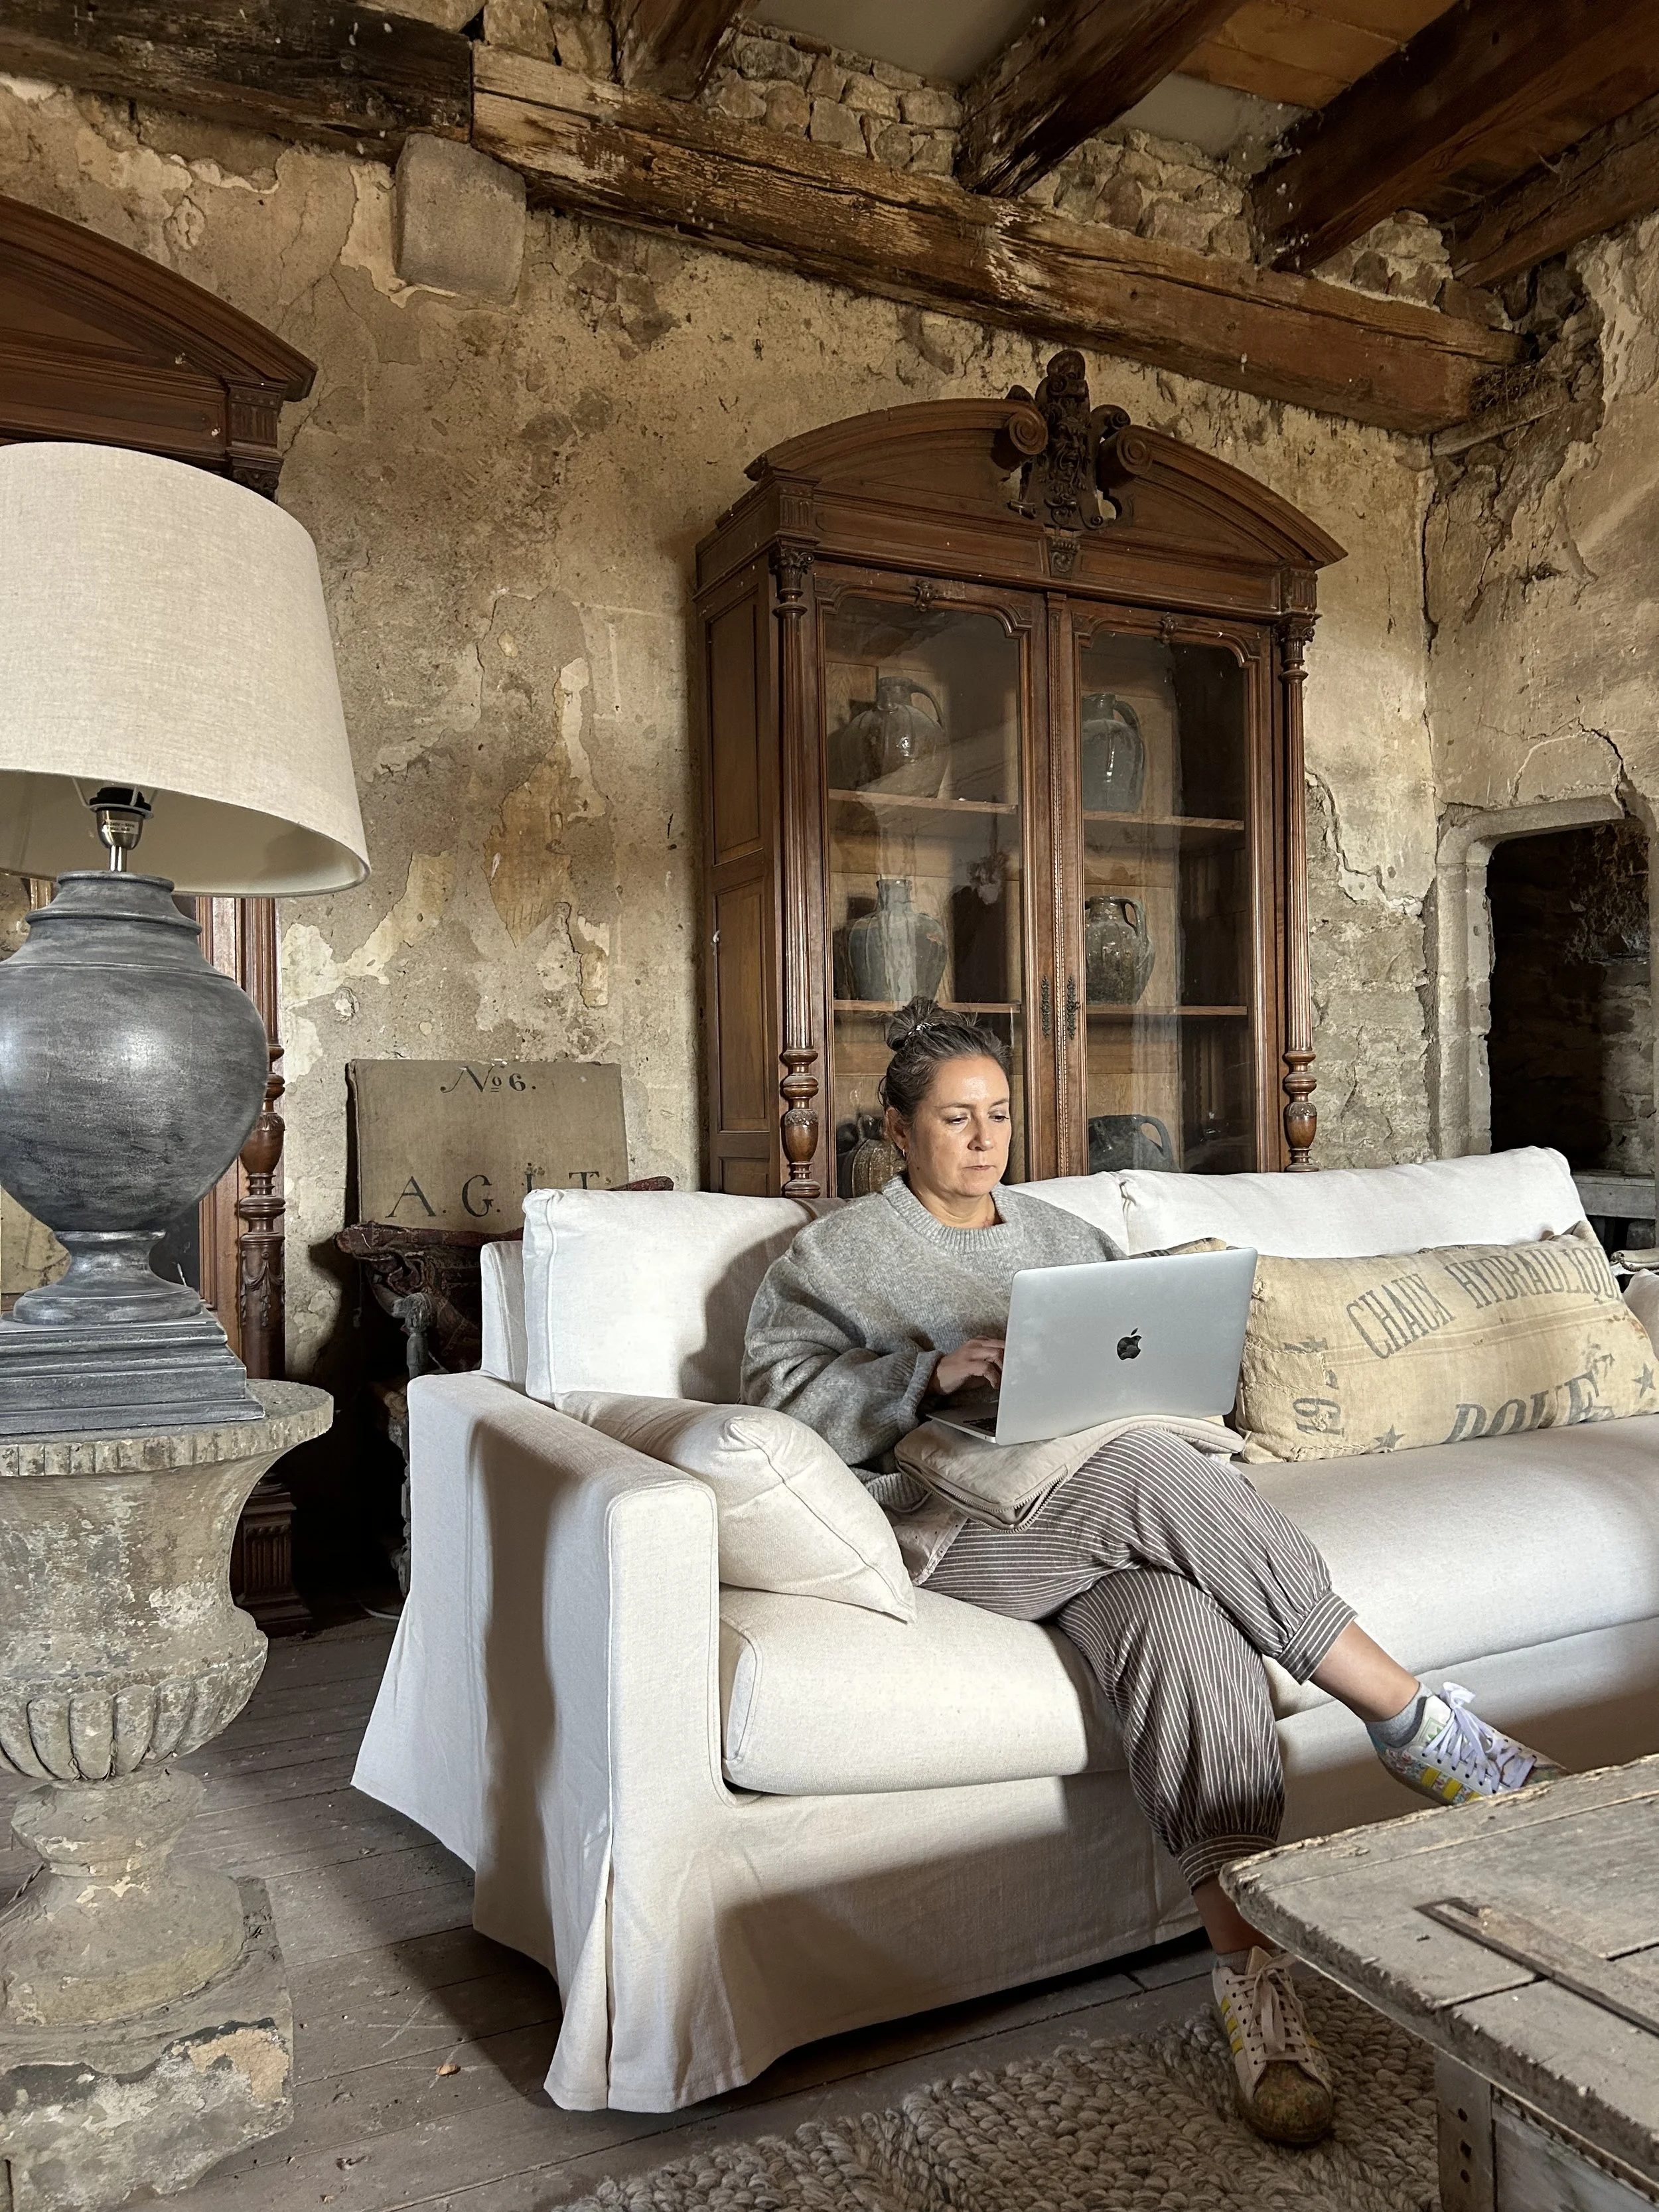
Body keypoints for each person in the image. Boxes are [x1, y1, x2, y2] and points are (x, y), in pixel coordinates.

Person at [742, 998, 1561, 2148]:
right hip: (955, 1526)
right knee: (1138, 1467)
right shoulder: (829, 1255)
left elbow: (1152, 1358)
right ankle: (1415, 1720)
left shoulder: (1061, 1238)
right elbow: (773, 1398)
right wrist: (929, 1375)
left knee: (1182, 1619)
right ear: (895, 1127)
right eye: (957, 1119)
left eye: (1003, 1116)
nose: (986, 1141)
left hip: (1096, 1509)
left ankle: (1254, 1990)